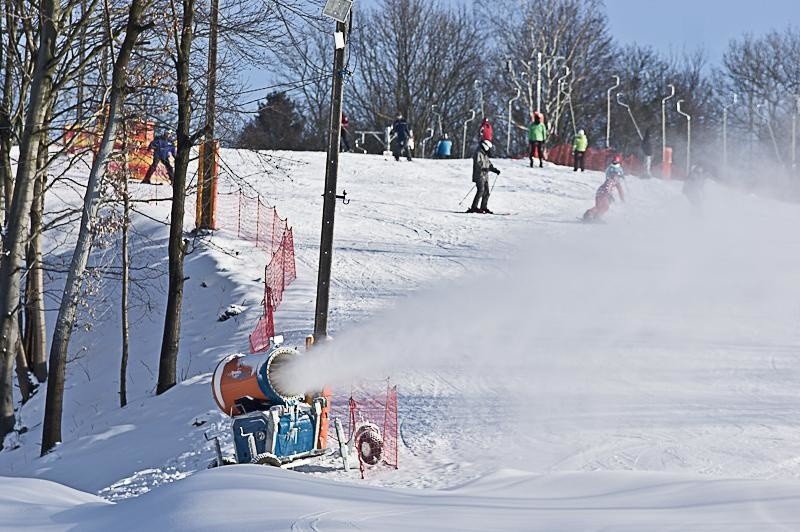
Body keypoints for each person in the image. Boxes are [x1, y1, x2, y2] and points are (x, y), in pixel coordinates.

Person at [583, 155, 625, 222]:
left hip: (601, 192)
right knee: (602, 206)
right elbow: (617, 190)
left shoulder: (612, 180)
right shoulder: (613, 181)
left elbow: (619, 190)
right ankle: (589, 214)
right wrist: (620, 199)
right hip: (603, 193)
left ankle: (597, 216)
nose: (616, 177)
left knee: (604, 207)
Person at [467, 139, 501, 214]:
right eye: (488, 148)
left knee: (486, 192)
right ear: (485, 146)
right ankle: (474, 207)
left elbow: (489, 164)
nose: (489, 150)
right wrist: (484, 168)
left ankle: (484, 207)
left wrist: (495, 170)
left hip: (485, 176)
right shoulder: (478, 153)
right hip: (479, 175)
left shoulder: (485, 154)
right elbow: (478, 163)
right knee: (481, 190)